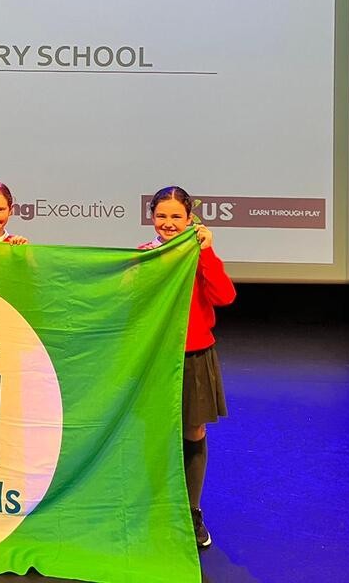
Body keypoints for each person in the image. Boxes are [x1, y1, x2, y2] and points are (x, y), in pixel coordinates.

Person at [139, 185, 236, 550]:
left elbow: (224, 296)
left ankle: (192, 511)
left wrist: (206, 252)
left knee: (192, 430)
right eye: (161, 216)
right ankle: (157, 506)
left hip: (194, 355)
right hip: (155, 357)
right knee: (154, 432)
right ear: (151, 218)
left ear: (190, 217)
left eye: (175, 216)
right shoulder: (145, 256)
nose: (168, 223)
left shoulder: (199, 254)